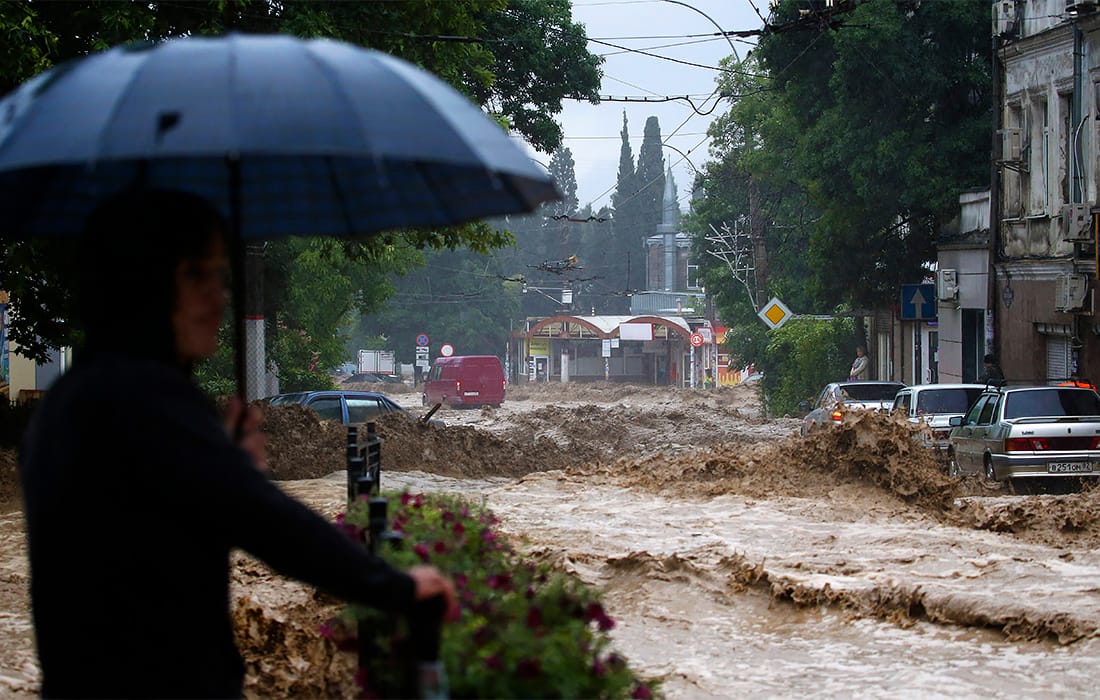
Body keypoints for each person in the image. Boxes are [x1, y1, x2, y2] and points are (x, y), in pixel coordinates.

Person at [18, 190, 458, 699]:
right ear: (143, 283)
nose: (219, 297)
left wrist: (220, 460)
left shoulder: (74, 399)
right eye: (198, 275)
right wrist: (397, 586)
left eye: (221, 277)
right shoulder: (144, 399)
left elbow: (156, 525)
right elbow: (268, 523)